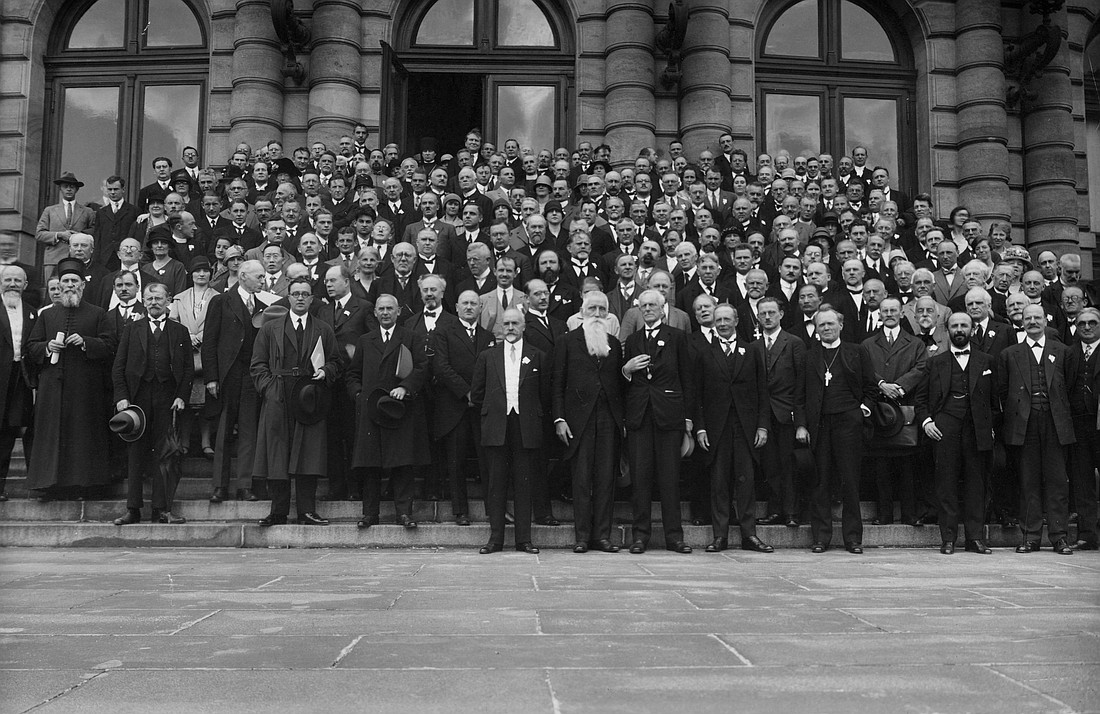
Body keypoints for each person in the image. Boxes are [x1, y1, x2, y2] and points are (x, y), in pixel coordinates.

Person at [252, 277, 341, 526]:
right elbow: (257, 364)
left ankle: (307, 511)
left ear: (312, 299)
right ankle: (278, 511)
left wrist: (326, 372)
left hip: (309, 395)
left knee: (308, 453)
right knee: (277, 452)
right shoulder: (270, 328)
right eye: (296, 294)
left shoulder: (323, 328)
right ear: (288, 297)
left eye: (305, 294)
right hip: (278, 394)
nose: (300, 298)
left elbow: (335, 361)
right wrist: (269, 389)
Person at [25, 258, 116, 499]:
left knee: (83, 435)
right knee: (51, 435)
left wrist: (86, 342)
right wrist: (48, 346)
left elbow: (110, 346)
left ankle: (84, 485)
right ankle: (50, 485)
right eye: (65, 281)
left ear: (82, 285)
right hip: (52, 389)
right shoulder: (47, 315)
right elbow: (31, 347)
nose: (69, 285)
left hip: (86, 389)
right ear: (60, 284)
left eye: (74, 280)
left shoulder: (98, 314)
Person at [111, 283, 194, 525]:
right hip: (137, 399)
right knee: (136, 453)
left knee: (165, 454)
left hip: (168, 399)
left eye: (158, 298)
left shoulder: (180, 331)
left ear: (168, 300)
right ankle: (133, 509)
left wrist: (181, 396)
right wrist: (121, 397)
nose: (153, 302)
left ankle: (162, 510)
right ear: (143, 300)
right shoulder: (132, 329)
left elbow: (188, 368)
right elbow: (119, 366)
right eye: (149, 298)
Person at [996, 304, 1076, 555]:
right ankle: (1030, 536)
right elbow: (1002, 390)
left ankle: (1059, 536)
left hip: (1055, 423)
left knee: (1057, 481)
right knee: (1028, 481)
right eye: (1027, 317)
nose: (1032, 321)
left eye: (1037, 317)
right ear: (1021, 321)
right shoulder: (1010, 354)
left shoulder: (1063, 352)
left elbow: (1071, 389)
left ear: (1046, 321)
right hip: (1024, 425)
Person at [621, 288, 695, 554]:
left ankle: (674, 537)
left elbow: (688, 378)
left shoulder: (677, 337)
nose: (648, 309)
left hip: (669, 416)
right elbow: (625, 384)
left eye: (653, 305)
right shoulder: (632, 340)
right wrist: (626, 371)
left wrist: (687, 418)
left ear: (663, 309)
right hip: (640, 417)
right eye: (644, 306)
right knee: (640, 479)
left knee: (669, 478)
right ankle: (640, 536)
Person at [347, 294, 431, 529]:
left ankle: (404, 513)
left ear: (398, 312)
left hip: (399, 409)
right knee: (370, 464)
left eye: (389, 309)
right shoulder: (365, 340)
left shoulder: (411, 338)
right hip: (371, 409)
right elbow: (353, 374)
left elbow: (422, 367)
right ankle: (369, 514)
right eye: (381, 309)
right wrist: (359, 396)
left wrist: (406, 387)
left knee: (402, 462)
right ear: (375, 312)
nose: (385, 313)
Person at [694, 304, 773, 553]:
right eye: (718, 320)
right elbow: (698, 395)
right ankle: (720, 536)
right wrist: (701, 429)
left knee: (746, 482)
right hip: (717, 429)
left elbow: (762, 392)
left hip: (745, 427)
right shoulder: (706, 353)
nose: (723, 323)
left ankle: (750, 535)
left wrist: (762, 426)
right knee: (719, 482)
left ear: (737, 320)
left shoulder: (751, 351)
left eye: (727, 319)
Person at [916, 312, 997, 554]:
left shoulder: (986, 361)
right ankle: (948, 538)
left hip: (976, 430)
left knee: (976, 484)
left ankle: (974, 538)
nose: (959, 329)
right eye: (954, 326)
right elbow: (920, 400)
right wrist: (927, 422)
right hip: (944, 429)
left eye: (964, 325)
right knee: (946, 483)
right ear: (947, 330)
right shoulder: (935, 362)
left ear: (972, 329)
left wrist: (990, 426)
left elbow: (996, 401)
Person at [471, 307, 548, 554]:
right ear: (501, 328)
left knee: (524, 483)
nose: (511, 328)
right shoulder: (488, 356)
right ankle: (496, 539)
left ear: (524, 326)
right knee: (497, 483)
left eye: (515, 323)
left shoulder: (538, 355)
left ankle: (524, 539)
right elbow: (479, 392)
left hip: (525, 426)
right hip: (497, 425)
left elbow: (544, 393)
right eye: (506, 324)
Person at [552, 292, 624, 553]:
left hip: (608, 420)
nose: (597, 313)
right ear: (582, 312)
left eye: (602, 309)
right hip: (577, 421)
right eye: (592, 308)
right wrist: (559, 418)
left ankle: (602, 536)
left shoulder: (614, 344)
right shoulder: (567, 342)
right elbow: (557, 384)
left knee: (606, 479)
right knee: (581, 480)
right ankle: (582, 536)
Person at [801, 308, 875, 554]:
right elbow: (799, 394)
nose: (827, 328)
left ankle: (852, 538)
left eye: (831, 324)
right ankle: (821, 537)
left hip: (848, 424)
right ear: (816, 328)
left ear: (841, 325)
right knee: (820, 482)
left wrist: (861, 411)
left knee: (850, 481)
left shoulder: (856, 351)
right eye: (822, 325)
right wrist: (802, 424)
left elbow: (871, 387)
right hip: (819, 425)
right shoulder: (809, 355)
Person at [202, 259, 272, 502]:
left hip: (251, 376)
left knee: (248, 430)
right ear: (243, 276)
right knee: (222, 431)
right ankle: (219, 486)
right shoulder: (221, 301)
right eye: (259, 277)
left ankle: (245, 484)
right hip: (227, 375)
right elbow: (209, 341)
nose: (263, 281)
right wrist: (211, 377)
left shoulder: (265, 305)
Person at [431, 289, 495, 525]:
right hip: (454, 406)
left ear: (480, 308)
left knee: (487, 460)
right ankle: (460, 511)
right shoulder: (443, 332)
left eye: (474, 304)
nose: (469, 307)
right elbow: (441, 367)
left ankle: (493, 509)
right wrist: (466, 392)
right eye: (465, 303)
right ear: (456, 307)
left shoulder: (488, 336)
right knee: (456, 461)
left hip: (481, 407)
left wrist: (476, 395)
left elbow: (492, 369)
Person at [316, 264, 375, 501]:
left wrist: (357, 353)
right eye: (326, 282)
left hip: (352, 381)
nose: (328, 285)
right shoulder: (323, 311)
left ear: (347, 281)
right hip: (330, 382)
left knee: (353, 435)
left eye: (332, 281)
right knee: (331, 435)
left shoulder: (364, 307)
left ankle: (354, 487)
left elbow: (372, 341)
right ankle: (335, 487)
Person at [754, 295, 806, 528]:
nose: (767, 317)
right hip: (762, 415)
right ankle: (775, 510)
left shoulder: (793, 342)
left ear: (781, 314)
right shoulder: (753, 346)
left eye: (771, 312)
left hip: (787, 413)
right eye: (763, 313)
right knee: (770, 465)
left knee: (789, 464)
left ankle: (792, 511)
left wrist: (800, 420)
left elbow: (801, 383)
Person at [170, 256, 219, 457]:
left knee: (206, 401)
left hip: (208, 353)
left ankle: (206, 442)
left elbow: (220, 322)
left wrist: (202, 335)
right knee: (186, 399)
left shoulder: (218, 297)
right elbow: (173, 322)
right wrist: (188, 335)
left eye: (205, 271)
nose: (201, 274)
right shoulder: (179, 297)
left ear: (210, 274)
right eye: (197, 271)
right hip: (185, 352)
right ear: (190, 274)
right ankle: (184, 441)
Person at [0, 265, 36, 501]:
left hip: (21, 378)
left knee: (15, 430)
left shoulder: (33, 313)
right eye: (8, 279)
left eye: (17, 280)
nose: (13, 284)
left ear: (25, 285)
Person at [36, 173, 96, 277]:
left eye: (72, 187)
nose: (69, 189)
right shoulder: (50, 210)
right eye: (65, 186)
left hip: (78, 259)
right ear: (60, 188)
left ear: (76, 189)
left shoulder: (87, 211)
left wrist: (78, 236)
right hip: (54, 259)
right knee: (53, 288)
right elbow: (39, 234)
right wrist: (59, 235)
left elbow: (94, 230)